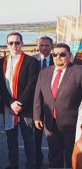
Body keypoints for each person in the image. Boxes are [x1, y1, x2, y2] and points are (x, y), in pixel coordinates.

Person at [34, 43, 82, 168]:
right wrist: (37, 116)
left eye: (62, 54)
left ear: (70, 56)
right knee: (54, 155)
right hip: (50, 123)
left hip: (72, 123)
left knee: (71, 156)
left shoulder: (78, 71)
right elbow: (38, 96)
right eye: (55, 54)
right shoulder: (44, 72)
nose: (58, 57)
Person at [0, 32, 39, 169]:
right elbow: (1, 86)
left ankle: (31, 165)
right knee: (11, 139)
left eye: (17, 42)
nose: (14, 45)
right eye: (11, 43)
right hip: (9, 108)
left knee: (28, 139)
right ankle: (13, 163)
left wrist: (19, 103)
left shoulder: (31, 61)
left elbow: (31, 85)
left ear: (22, 44)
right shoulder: (1, 62)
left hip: (25, 108)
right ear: (7, 45)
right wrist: (10, 103)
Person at [32, 36, 54, 168]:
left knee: (52, 135)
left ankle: (53, 159)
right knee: (36, 135)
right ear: (38, 46)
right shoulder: (32, 60)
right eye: (41, 45)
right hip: (36, 103)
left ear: (51, 46)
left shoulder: (56, 59)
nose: (44, 48)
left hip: (52, 103)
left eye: (47, 45)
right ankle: (37, 158)